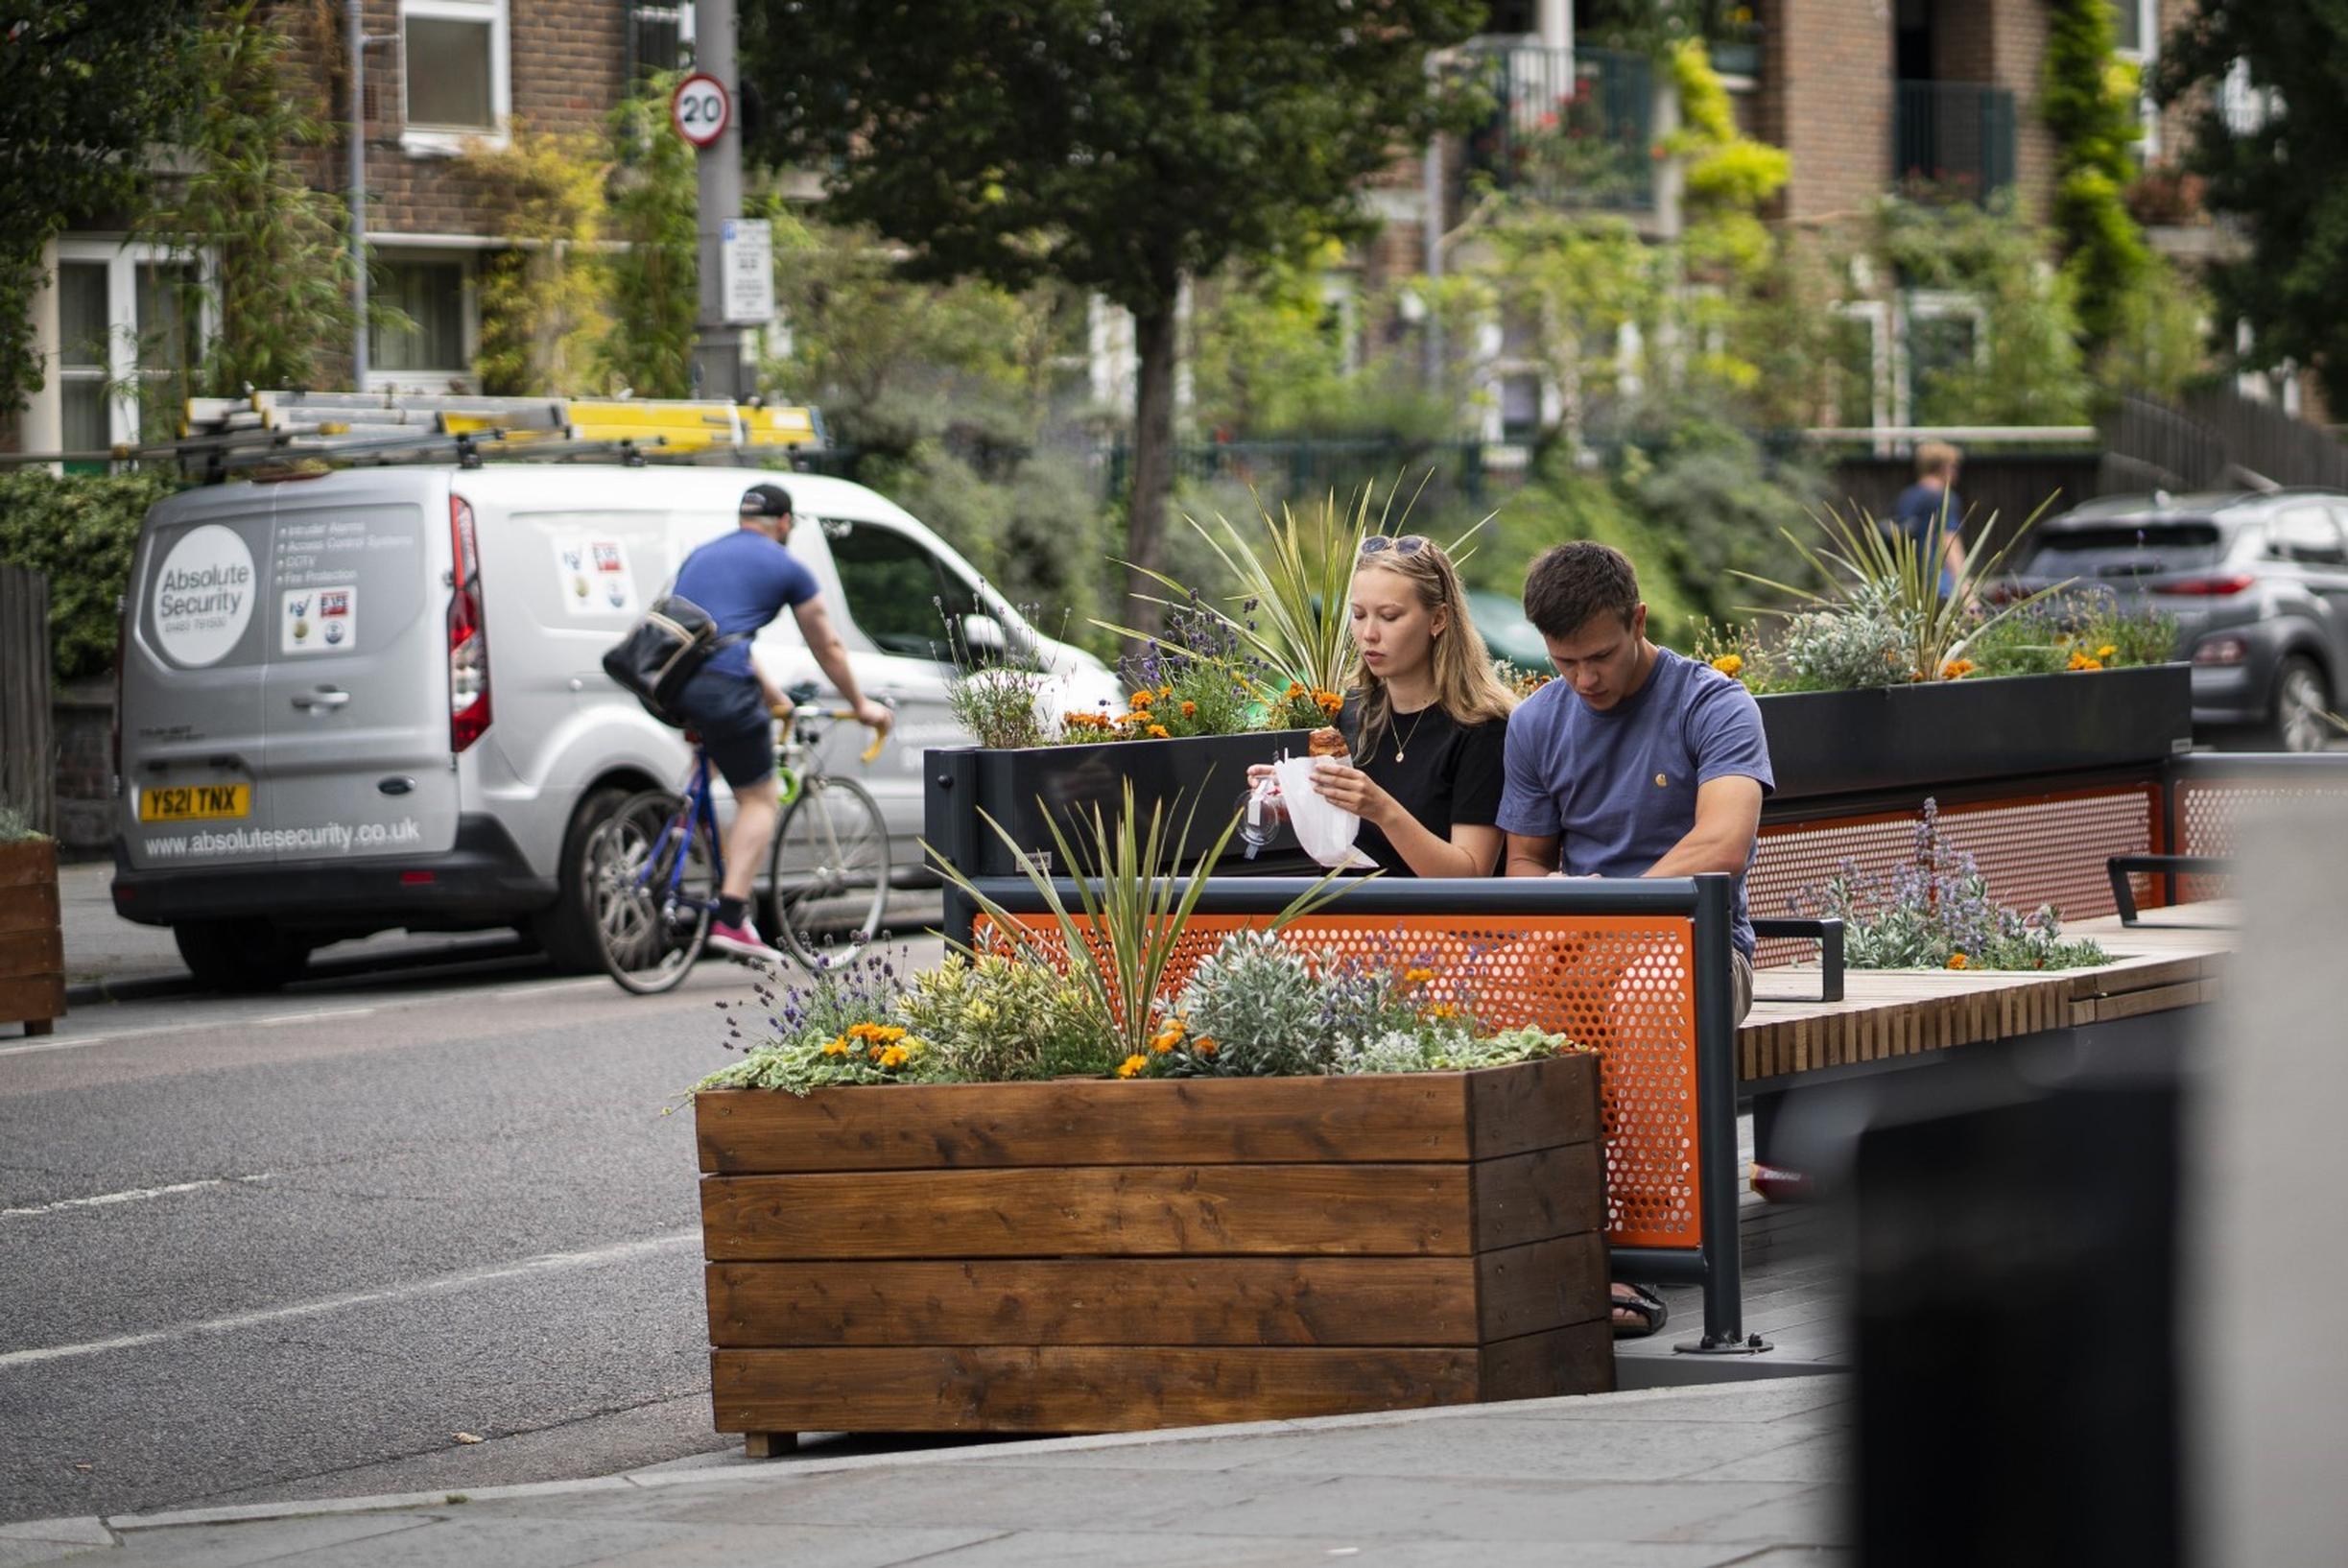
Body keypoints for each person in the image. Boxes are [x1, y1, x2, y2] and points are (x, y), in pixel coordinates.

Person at [1495, 540, 1774, 1337]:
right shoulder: (1537, 722)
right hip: (1584, 939)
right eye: (1563, 662)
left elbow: (1721, 846)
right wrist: (1558, 912)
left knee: (1650, 990)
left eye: (1600, 656)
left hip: (1700, 945)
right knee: (1485, 987)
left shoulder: (1713, 703)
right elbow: (1524, 863)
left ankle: (1647, 1244)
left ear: (1638, 620)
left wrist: (1603, 910)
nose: (1585, 679)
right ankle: (1520, 1224)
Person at [668, 483, 891, 959]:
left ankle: (679, 826)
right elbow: (827, 645)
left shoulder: (702, 556)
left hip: (672, 685)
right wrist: (862, 704)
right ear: (784, 523)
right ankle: (730, 916)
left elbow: (717, 641)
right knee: (761, 798)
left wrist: (776, 700)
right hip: (723, 688)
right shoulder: (787, 566)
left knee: (715, 757)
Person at [1249, 535, 1515, 877]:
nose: (1369, 633)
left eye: (1389, 616)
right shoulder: (1356, 707)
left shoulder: (1483, 727)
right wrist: (1303, 800)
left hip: (1433, 929)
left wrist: (1382, 809)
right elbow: (1348, 847)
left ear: (1438, 620)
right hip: (1344, 921)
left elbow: (1470, 877)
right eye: (1358, 615)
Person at [1888, 439, 1967, 597]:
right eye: (1954, 467)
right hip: (1940, 586)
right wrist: (1966, 592)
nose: (1956, 473)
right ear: (1944, 467)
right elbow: (1949, 541)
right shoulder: (1943, 497)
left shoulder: (1907, 496)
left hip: (1909, 586)